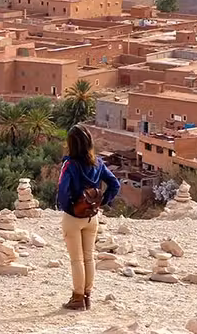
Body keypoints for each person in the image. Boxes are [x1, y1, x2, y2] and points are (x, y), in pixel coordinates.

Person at [56, 124, 120, 311]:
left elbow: (62, 190)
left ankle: (77, 298)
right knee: (89, 258)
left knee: (76, 260)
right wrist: (102, 202)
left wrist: (68, 208)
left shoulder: (69, 165)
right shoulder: (98, 163)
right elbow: (114, 184)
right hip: (92, 217)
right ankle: (87, 296)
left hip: (74, 217)